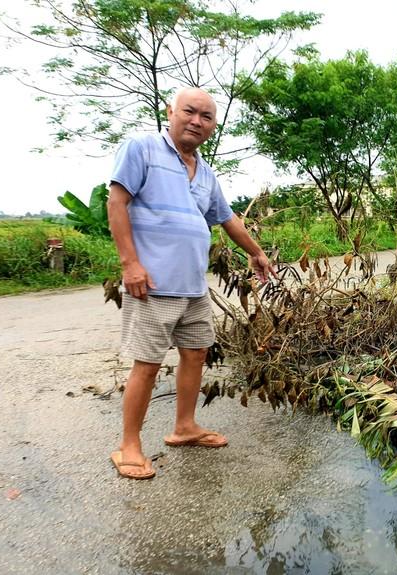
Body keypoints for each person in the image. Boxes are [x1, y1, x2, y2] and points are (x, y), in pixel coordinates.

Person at [107, 87, 274, 479]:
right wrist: (130, 264)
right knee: (146, 365)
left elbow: (227, 218)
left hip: (192, 287)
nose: (197, 121)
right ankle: (128, 446)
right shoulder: (142, 148)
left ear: (213, 126)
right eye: (190, 112)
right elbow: (117, 203)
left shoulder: (206, 172)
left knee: (196, 353)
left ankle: (184, 427)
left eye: (206, 117)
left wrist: (256, 251)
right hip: (151, 285)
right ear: (171, 112)